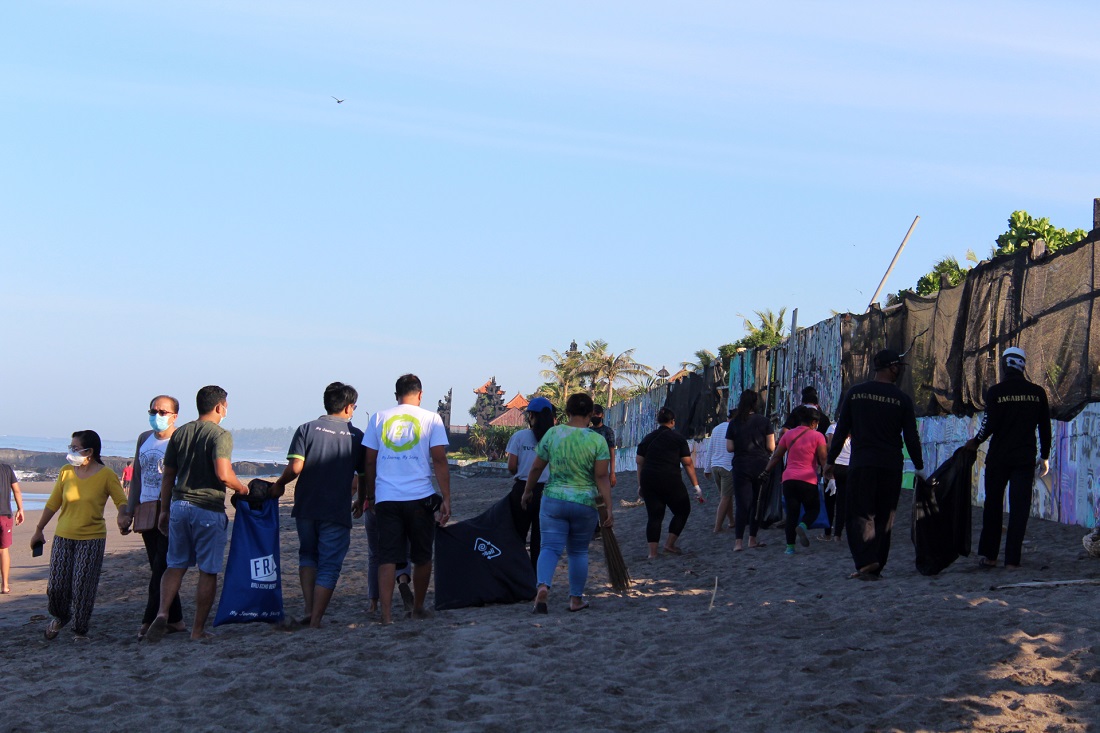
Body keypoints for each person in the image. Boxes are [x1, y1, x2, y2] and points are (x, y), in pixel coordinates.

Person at [145, 385, 250, 642]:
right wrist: (242, 488)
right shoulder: (220, 435)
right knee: (208, 570)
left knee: (175, 565)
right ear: (219, 407)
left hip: (179, 506)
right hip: (207, 508)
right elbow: (223, 474)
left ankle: (162, 613)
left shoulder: (180, 433)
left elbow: (168, 475)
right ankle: (197, 630)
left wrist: (164, 510)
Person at [271, 382, 364, 627]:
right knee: (330, 564)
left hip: (307, 504)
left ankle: (309, 609)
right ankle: (316, 619)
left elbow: (296, 467)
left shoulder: (306, 429)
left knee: (308, 555)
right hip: (336, 508)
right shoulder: (357, 436)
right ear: (348, 407)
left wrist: (280, 483)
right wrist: (362, 499)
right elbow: (363, 475)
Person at [826, 349, 924, 580]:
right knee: (885, 516)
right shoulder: (902, 399)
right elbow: (911, 437)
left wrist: (831, 460)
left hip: (862, 464)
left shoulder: (856, 393)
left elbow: (841, 430)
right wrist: (919, 466)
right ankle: (876, 565)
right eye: (898, 367)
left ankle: (866, 561)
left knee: (859, 513)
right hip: (891, 466)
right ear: (892, 368)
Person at [362, 374, 451, 625]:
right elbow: (439, 459)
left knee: (387, 557)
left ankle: (386, 615)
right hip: (420, 497)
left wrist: (371, 495)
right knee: (422, 556)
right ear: (420, 394)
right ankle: (418, 608)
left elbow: (369, 461)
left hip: (387, 498)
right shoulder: (431, 419)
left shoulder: (378, 418)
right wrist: (446, 497)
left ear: (396, 395)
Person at [30, 431, 130, 639]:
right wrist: (39, 529)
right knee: (56, 586)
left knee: (82, 586)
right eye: (71, 447)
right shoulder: (66, 472)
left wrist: (122, 517)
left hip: (92, 538)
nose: (71, 451)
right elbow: (53, 503)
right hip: (63, 536)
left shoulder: (106, 475)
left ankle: (79, 630)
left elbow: (121, 501)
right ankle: (61, 617)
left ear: (89, 452)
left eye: (75, 448)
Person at [521, 392, 612, 613]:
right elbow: (601, 477)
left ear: (567, 412)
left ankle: (543, 587)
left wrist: (527, 491)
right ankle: (575, 599)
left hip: (554, 499)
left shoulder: (553, 434)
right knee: (578, 552)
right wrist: (608, 507)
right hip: (585, 502)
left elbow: (536, 467)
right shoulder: (597, 440)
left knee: (549, 548)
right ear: (590, 414)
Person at [964, 346, 1052, 569]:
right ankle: (1012, 560)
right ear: (1023, 365)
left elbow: (988, 425)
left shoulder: (996, 392)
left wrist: (975, 442)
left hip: (998, 458)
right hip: (1024, 458)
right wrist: (1045, 456)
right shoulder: (1037, 393)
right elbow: (1045, 427)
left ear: (1004, 365)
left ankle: (990, 556)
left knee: (993, 506)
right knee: (1019, 509)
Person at [123, 394, 187, 640]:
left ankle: (148, 621)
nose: (156, 416)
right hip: (146, 510)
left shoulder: (180, 439)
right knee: (156, 566)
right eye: (153, 411)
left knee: (161, 567)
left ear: (174, 416)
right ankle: (176, 620)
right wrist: (129, 510)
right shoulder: (144, 438)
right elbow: (137, 478)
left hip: (170, 510)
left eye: (162, 412)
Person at [636, 407, 702, 559]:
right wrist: (696, 486)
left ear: (658, 421)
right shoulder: (678, 439)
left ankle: (652, 553)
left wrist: (640, 484)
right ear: (672, 422)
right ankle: (669, 544)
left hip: (649, 479)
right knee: (682, 510)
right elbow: (687, 463)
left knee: (654, 516)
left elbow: (639, 462)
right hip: (670, 479)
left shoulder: (647, 438)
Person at [763, 406, 827, 555]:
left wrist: (766, 471)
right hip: (808, 480)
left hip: (789, 479)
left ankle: (790, 548)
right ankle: (803, 526)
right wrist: (828, 474)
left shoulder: (789, 434)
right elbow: (823, 458)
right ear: (813, 422)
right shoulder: (818, 436)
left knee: (792, 514)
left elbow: (777, 456)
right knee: (813, 509)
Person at [505, 396, 555, 570]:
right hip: (547, 491)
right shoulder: (554, 439)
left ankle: (519, 572)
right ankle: (537, 574)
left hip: (522, 488)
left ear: (531, 416)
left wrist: (520, 473)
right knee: (540, 538)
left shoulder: (519, 436)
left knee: (519, 534)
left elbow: (511, 466)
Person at [726, 389, 774, 552]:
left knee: (742, 504)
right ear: (755, 403)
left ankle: (738, 543)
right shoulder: (765, 421)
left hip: (741, 465)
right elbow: (771, 446)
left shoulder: (734, 423)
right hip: (761, 465)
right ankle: (752, 539)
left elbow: (729, 447)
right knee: (758, 503)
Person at [704, 409, 735, 532]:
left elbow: (710, 449)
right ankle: (717, 527)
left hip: (715, 466)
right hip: (727, 466)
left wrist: (707, 468)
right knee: (725, 498)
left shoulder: (716, 428)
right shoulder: (735, 428)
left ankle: (731, 521)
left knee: (726, 496)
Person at [823, 421, 851, 542]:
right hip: (849, 466)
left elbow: (830, 446)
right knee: (842, 502)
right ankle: (837, 534)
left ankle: (827, 533)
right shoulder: (856, 426)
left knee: (829, 501)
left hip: (834, 465)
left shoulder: (833, 427)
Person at [1, 462, 25, 595]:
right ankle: (5, 586)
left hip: (5, 514)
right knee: (3, 550)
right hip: (5, 515)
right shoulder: (7, 468)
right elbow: (16, 490)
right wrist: (20, 509)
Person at [589, 404, 617, 489]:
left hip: (602, 469)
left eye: (597, 414)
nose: (595, 416)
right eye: (593, 414)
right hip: (589, 470)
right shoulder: (588, 431)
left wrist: (612, 473)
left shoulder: (608, 431)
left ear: (602, 415)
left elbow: (612, 452)